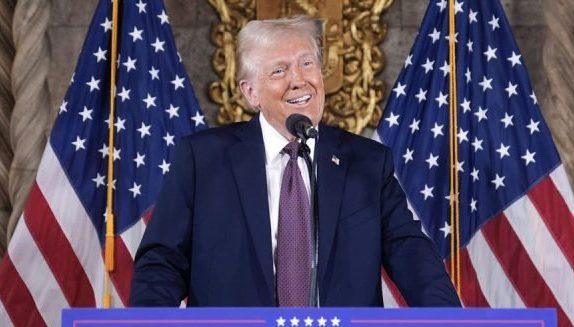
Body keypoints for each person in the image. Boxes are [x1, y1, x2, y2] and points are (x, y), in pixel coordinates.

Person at [130, 16, 460, 308]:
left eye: (307, 64)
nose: (299, 79)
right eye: (279, 70)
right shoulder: (203, 159)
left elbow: (411, 254)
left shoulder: (368, 162)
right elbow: (162, 263)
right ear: (250, 93)